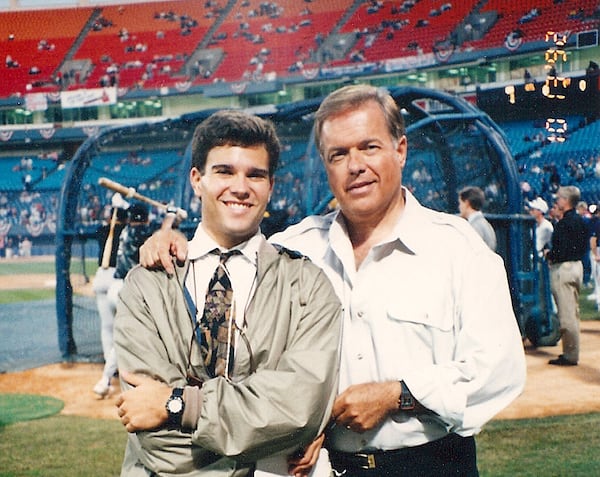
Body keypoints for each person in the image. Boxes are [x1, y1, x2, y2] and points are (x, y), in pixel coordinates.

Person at [139, 85, 526, 476]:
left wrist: (397, 395)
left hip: (434, 461)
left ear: (401, 150)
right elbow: (223, 260)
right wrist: (178, 244)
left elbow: (497, 370)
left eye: (368, 147)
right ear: (326, 166)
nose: (354, 165)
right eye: (338, 154)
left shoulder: (457, 249)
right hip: (325, 465)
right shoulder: (293, 249)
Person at [113, 110, 342, 477]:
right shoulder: (147, 282)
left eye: (255, 174)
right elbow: (157, 441)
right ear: (197, 180)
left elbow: (300, 410)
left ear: (271, 186)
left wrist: (177, 406)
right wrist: (260, 447)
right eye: (224, 171)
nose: (240, 186)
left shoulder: (308, 284)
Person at [545, 186, 588, 366]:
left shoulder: (564, 223)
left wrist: (550, 254)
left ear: (566, 200)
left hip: (564, 268)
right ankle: (571, 352)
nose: (557, 201)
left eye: (560, 198)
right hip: (577, 267)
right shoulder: (580, 220)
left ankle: (570, 355)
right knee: (573, 312)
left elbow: (561, 249)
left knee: (567, 315)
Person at [92, 202, 128, 398]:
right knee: (112, 327)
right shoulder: (121, 231)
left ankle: (110, 367)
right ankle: (110, 367)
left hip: (108, 277)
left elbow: (109, 228)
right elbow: (112, 228)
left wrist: (116, 214)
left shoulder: (107, 229)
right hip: (115, 279)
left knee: (109, 328)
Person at [458, 185, 497, 251]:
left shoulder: (474, 226)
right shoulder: (484, 224)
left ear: (467, 203)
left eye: (460, 203)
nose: (459, 207)